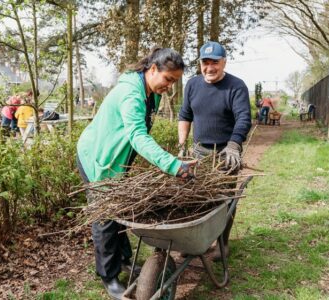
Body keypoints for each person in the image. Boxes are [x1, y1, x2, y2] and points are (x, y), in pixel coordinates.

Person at [76, 47, 194, 300]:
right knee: (106, 217)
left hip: (116, 160)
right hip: (97, 158)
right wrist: (173, 165)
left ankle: (124, 261)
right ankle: (109, 277)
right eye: (168, 79)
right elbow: (138, 136)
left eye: (174, 81)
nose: (170, 86)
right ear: (153, 70)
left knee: (119, 209)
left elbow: (139, 133)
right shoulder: (131, 93)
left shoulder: (151, 92)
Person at [178, 41, 251, 260]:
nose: (210, 67)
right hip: (199, 153)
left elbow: (243, 118)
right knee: (195, 198)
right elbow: (185, 115)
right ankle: (196, 242)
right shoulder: (192, 85)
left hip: (225, 154)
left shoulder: (236, 86)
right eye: (205, 62)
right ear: (200, 63)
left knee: (224, 199)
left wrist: (234, 144)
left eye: (215, 63)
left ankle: (222, 244)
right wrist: (182, 146)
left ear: (224, 62)